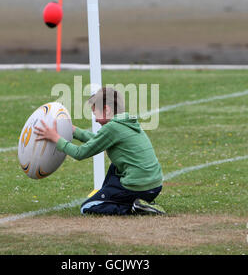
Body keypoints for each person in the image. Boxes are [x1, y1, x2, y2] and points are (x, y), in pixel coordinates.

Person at [34, 87, 165, 215]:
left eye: (95, 113)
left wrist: (56, 138)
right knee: (115, 167)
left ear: (106, 109)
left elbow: (80, 153)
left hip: (138, 187)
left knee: (87, 207)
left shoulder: (112, 127)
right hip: (154, 186)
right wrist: (73, 130)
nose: (96, 119)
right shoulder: (126, 121)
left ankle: (132, 207)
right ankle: (136, 202)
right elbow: (98, 141)